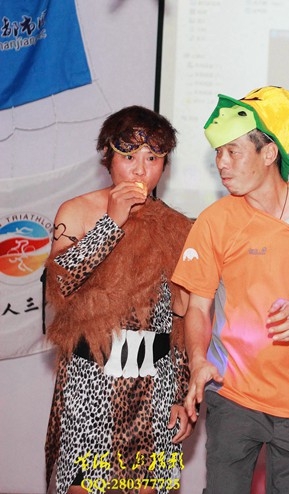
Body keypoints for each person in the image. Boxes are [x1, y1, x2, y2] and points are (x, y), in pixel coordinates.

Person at [171, 86, 289, 494]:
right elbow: (197, 307)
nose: (221, 162)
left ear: (269, 153)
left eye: (233, 152)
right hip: (232, 391)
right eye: (218, 152)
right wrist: (198, 361)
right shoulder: (214, 220)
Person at [44, 106, 194, 494]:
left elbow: (181, 322)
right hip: (90, 379)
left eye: (153, 158)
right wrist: (111, 223)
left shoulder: (176, 226)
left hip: (154, 385)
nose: (140, 170)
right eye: (129, 156)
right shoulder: (77, 211)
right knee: (82, 486)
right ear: (108, 157)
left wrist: (182, 395)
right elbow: (60, 287)